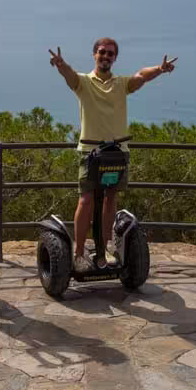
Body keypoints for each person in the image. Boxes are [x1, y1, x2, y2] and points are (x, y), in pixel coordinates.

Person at [49, 38, 177, 272]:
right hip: (90, 151)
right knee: (86, 200)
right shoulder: (84, 83)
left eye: (110, 54)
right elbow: (69, 76)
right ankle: (78, 253)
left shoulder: (121, 83)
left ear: (115, 58)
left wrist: (159, 69)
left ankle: (104, 248)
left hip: (117, 153)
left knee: (110, 199)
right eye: (101, 52)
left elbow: (141, 76)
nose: (105, 56)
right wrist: (61, 65)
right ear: (94, 55)